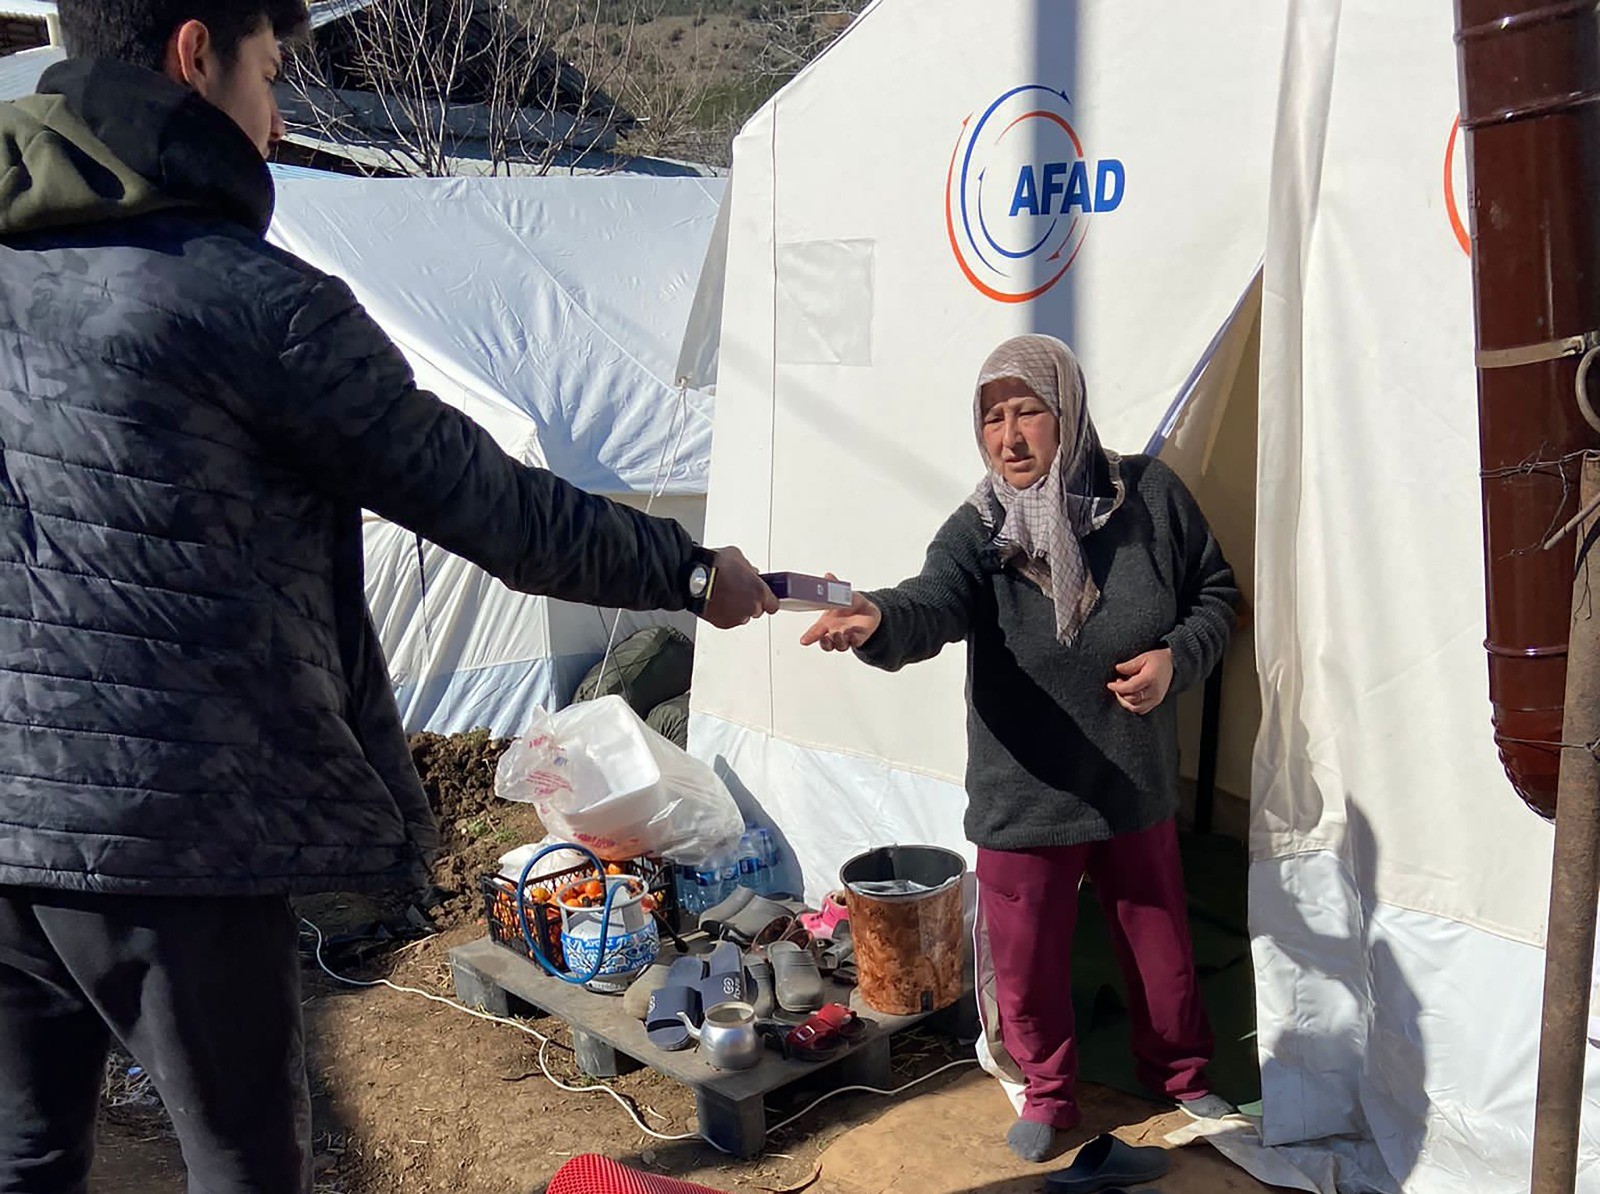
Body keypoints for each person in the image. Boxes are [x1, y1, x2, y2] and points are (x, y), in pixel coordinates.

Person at [0, 2, 777, 1189]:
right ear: (194, 54)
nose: (272, 118)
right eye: (268, 72)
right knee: (245, 1161)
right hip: (174, 822)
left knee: (27, 1150)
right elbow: (483, 501)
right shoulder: (252, 301)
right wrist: (683, 569)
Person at [802, 334, 1239, 1160]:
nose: (1009, 437)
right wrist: (881, 620)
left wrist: (1177, 660)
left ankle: (1182, 1077)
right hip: (1025, 783)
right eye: (991, 419)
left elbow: (1214, 592)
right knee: (1026, 961)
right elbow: (934, 600)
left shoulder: (1149, 496)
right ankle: (1048, 1088)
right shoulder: (979, 529)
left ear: (1066, 412)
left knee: (1159, 947)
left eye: (1027, 412)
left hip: (1131, 774)